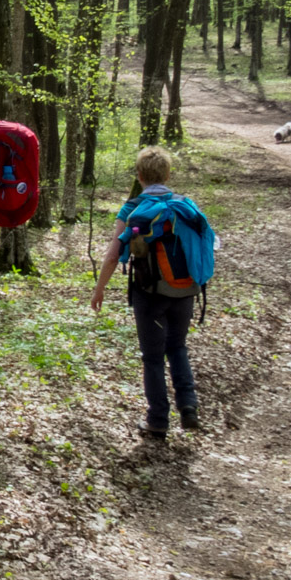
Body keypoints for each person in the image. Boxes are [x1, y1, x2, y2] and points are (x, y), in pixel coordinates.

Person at [91, 146, 201, 440]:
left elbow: (114, 254)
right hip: (185, 290)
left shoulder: (132, 209)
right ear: (167, 174)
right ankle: (188, 405)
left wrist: (99, 287)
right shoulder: (184, 205)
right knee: (177, 346)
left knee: (153, 357)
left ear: (139, 176)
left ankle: (157, 419)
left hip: (149, 292)